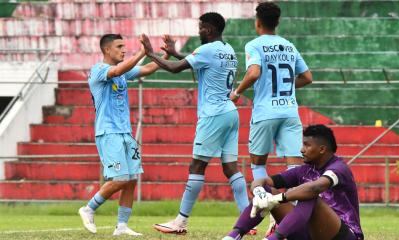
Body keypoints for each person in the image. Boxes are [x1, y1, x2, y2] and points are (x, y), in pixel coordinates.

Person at [140, 12, 249, 235]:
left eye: (200, 28)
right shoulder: (228, 50)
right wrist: (175, 53)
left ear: (208, 29)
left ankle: (180, 221)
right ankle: (248, 218)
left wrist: (151, 54)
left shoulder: (207, 50)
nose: (198, 31)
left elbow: (174, 68)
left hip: (213, 115)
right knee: (230, 168)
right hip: (230, 112)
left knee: (197, 166)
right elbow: (200, 64)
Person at [228, 2, 313, 235]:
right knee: (295, 166)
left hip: (265, 112)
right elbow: (307, 77)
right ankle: (291, 220)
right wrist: (285, 90)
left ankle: (267, 213)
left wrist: (236, 93)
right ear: (277, 22)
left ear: (257, 22)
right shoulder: (288, 45)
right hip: (289, 111)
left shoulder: (254, 44)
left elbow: (254, 72)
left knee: (258, 163)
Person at [78, 33, 166, 236]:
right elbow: (119, 68)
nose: (123, 50)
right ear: (107, 50)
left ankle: (122, 226)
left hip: (126, 133)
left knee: (132, 179)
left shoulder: (122, 73)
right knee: (119, 179)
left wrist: (163, 55)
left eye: (125, 46)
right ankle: (88, 208)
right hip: (108, 133)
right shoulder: (99, 70)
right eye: (119, 47)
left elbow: (148, 69)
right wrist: (143, 52)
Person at [223, 124, 364, 240]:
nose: (302, 150)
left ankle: (274, 238)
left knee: (309, 195)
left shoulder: (339, 168)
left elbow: (315, 188)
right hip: (312, 234)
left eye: (307, 145)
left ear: (322, 149)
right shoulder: (304, 170)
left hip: (344, 235)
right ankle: (233, 236)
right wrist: (259, 192)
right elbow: (263, 181)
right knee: (267, 190)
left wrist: (277, 199)